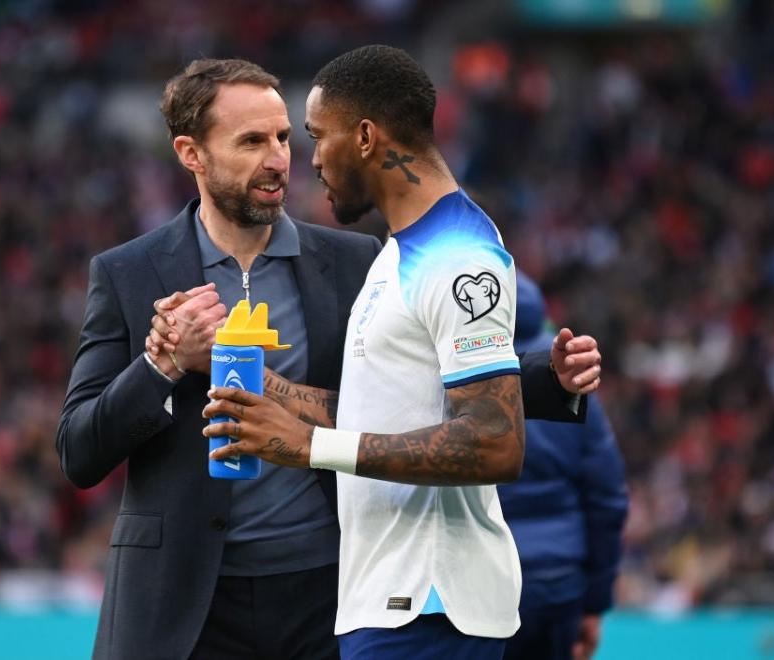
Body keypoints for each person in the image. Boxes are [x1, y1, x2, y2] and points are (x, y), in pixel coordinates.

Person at [59, 57, 599, 660]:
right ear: (192, 153)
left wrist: (548, 380)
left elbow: (399, 387)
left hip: (325, 591)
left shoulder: (355, 259)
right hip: (183, 604)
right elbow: (80, 451)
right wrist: (160, 364)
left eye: (286, 137)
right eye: (252, 141)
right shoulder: (129, 273)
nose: (280, 159)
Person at [199, 45, 578, 659]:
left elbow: (494, 440)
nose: (312, 159)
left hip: (429, 608)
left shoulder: (458, 257)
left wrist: (311, 447)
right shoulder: (399, 252)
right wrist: (264, 390)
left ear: (367, 137)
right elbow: (391, 410)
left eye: (319, 137)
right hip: (391, 605)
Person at [499, 272, 628, 660]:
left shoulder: (460, 372)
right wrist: (594, 603)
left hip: (483, 582)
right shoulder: (572, 375)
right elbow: (608, 499)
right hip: (557, 585)